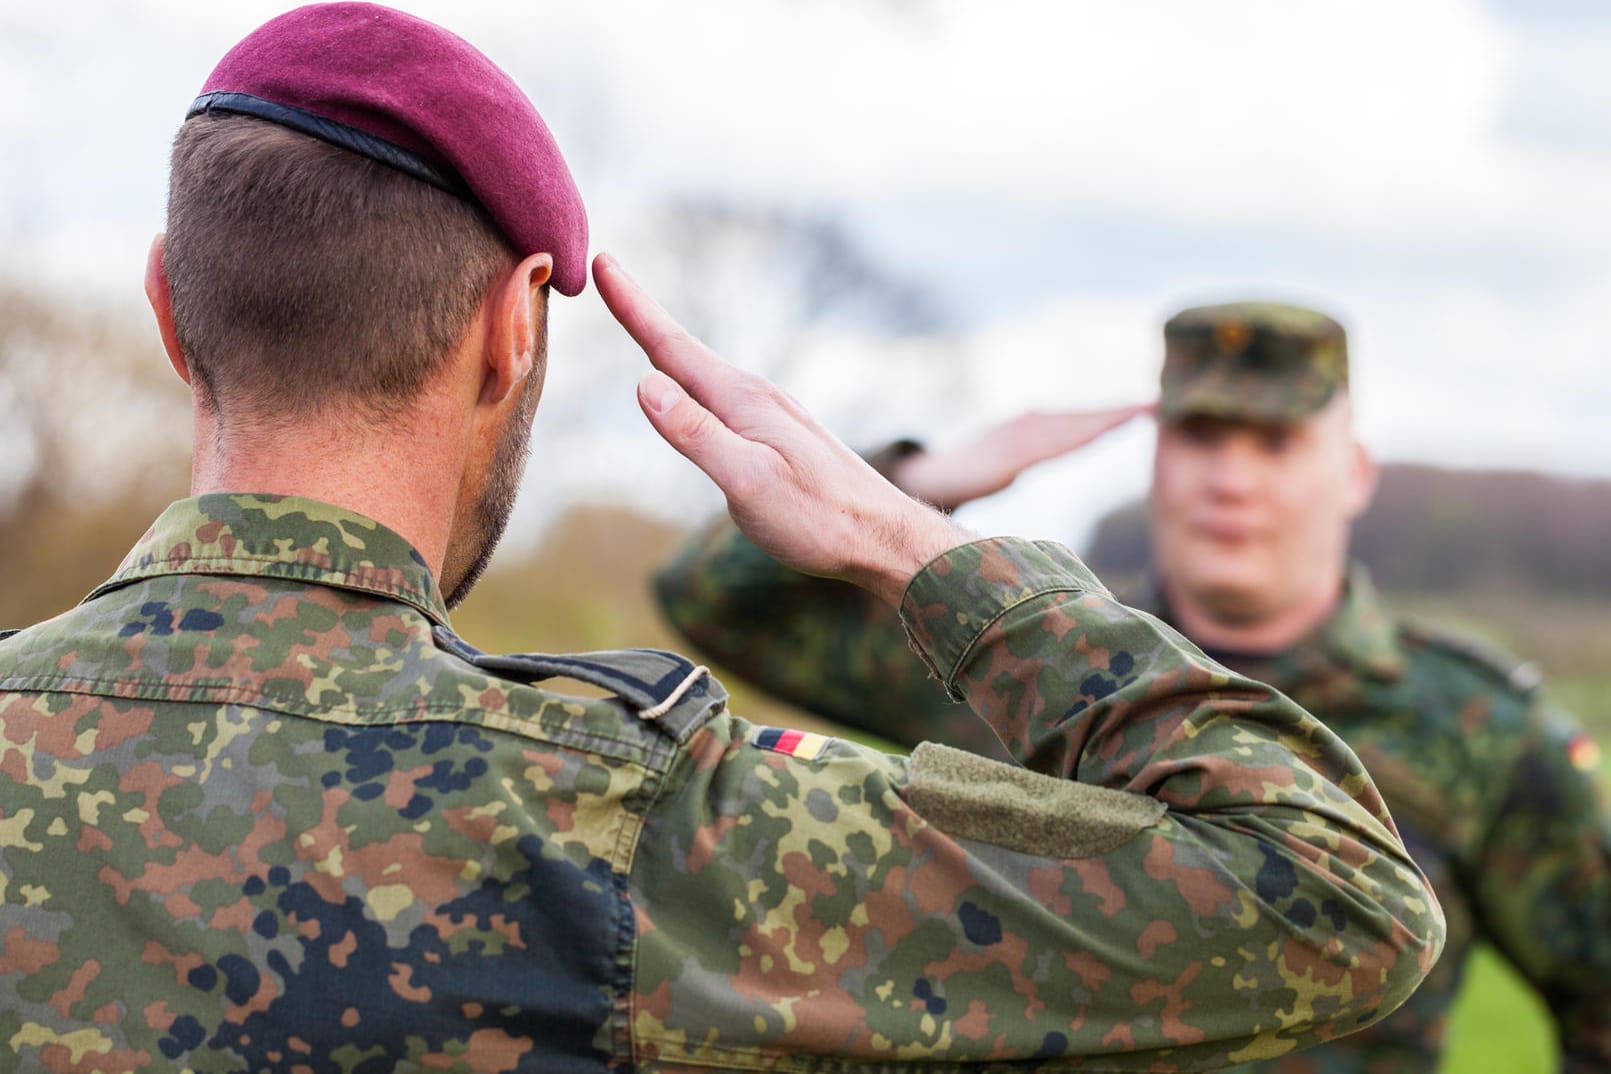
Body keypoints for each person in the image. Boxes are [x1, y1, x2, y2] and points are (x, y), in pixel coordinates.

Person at [0, 7, 1444, 1070]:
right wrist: (913, 540)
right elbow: (1333, 892)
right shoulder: (624, 822)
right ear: (510, 331)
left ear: (169, 307)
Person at [656, 301, 1611, 1072]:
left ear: (1353, 474)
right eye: (1199, 437)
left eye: (1273, 444)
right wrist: (924, 485)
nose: (1228, 479)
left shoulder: (1476, 725)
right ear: (1156, 462)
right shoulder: (1030, 661)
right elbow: (713, 598)